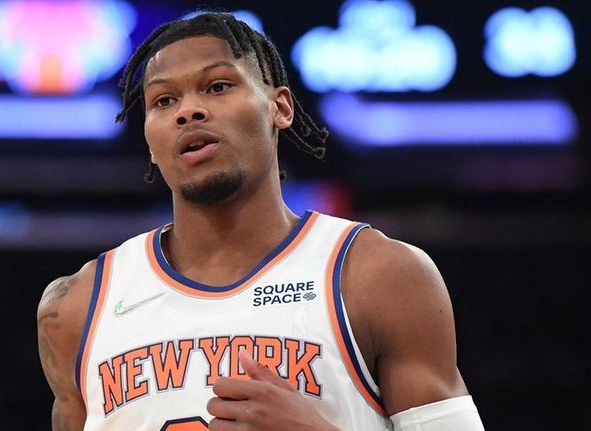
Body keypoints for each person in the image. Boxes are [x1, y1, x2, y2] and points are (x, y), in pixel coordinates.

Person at [37, 12, 485, 431]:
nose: (187, 111)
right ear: (150, 142)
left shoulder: (378, 276)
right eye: (164, 99)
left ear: (281, 108)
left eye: (217, 86)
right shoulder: (75, 307)